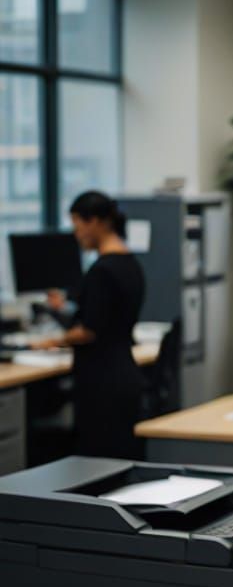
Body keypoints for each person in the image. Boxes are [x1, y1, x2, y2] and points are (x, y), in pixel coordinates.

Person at [34, 191, 146, 459]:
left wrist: (51, 342)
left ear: (95, 221)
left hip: (101, 382)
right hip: (123, 373)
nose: (76, 235)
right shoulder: (130, 263)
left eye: (77, 226)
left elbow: (88, 331)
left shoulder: (102, 271)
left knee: (96, 459)